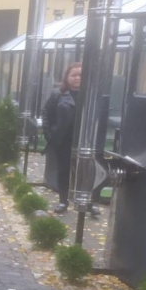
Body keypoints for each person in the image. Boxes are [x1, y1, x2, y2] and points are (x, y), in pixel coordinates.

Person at [41, 62, 100, 217]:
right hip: (64, 140)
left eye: (80, 75)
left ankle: (88, 202)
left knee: (86, 172)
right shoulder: (57, 94)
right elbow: (46, 113)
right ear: (67, 77)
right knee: (64, 171)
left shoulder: (90, 95)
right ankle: (63, 200)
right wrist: (49, 134)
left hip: (84, 140)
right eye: (73, 75)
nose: (77, 78)